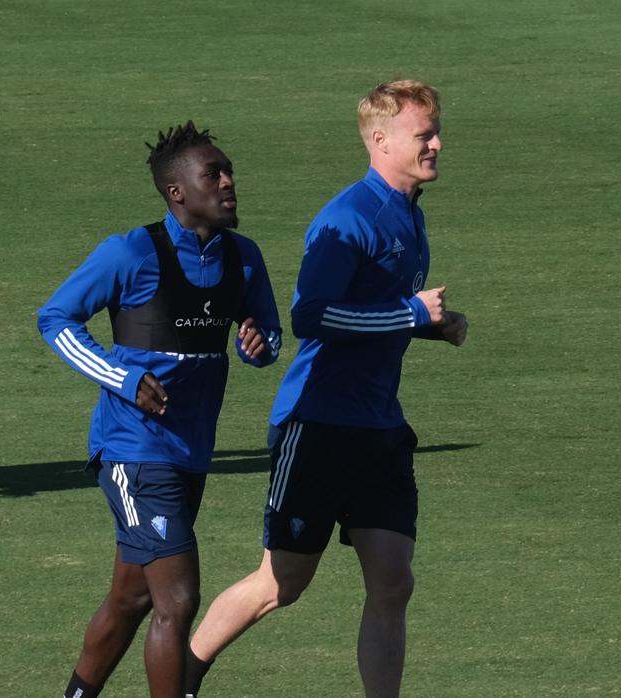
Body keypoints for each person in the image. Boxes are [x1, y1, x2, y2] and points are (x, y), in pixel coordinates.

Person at [184, 79, 468, 698]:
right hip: (319, 425)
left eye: (435, 132)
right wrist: (411, 315)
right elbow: (313, 316)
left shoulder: (408, 215)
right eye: (425, 135)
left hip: (379, 427)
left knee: (393, 581)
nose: (438, 144)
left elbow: (374, 311)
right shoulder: (349, 217)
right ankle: (178, 678)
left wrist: (434, 328)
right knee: (282, 584)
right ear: (380, 139)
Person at [37, 121, 282, 698]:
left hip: (191, 451)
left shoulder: (244, 259)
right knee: (177, 598)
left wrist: (258, 345)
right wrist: (123, 378)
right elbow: (56, 319)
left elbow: (268, 337)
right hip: (132, 449)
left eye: (228, 172)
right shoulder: (129, 252)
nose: (228, 182)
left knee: (132, 598)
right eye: (213, 173)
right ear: (177, 192)